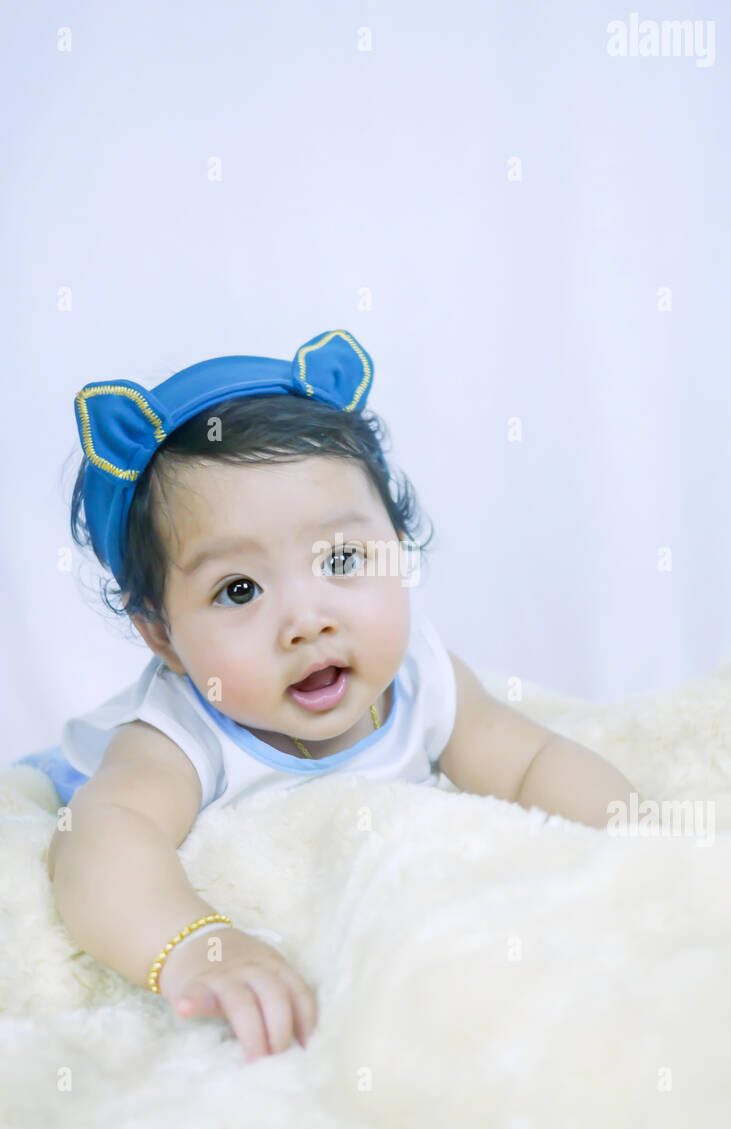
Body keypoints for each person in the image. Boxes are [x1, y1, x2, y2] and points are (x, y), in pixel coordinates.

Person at [13, 329, 638, 1063]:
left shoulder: (420, 679)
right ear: (161, 636)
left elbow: (531, 762)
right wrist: (197, 947)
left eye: (342, 558)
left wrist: (638, 847)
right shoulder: (172, 738)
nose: (307, 620)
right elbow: (101, 844)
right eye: (237, 589)